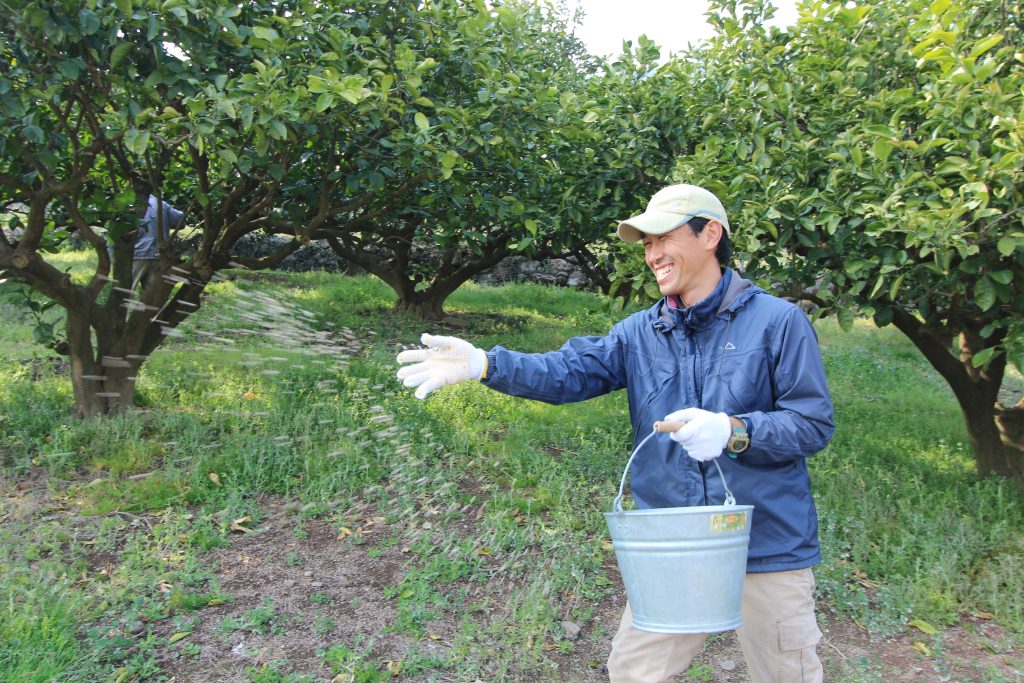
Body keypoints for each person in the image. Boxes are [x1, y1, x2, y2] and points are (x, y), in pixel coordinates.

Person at [395, 184, 835, 683]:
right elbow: (567, 371)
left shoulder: (779, 323)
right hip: (676, 540)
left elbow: (813, 423)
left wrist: (734, 431)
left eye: (663, 238)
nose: (652, 255)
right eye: (646, 244)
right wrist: (487, 364)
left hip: (768, 541)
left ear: (710, 234)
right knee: (633, 672)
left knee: (788, 675)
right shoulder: (639, 333)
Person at [131, 182, 185, 292]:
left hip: (137, 253)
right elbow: (180, 220)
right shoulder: (160, 203)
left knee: (126, 292)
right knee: (151, 294)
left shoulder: (128, 202)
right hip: (158, 254)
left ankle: (121, 309)